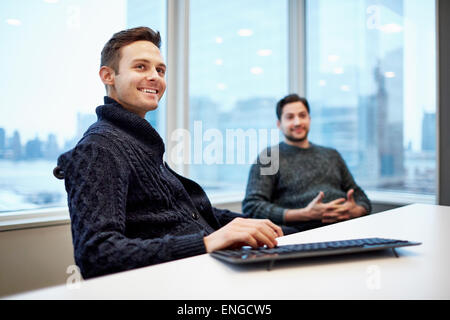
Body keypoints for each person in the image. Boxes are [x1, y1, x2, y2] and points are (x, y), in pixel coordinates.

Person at [54, 27, 283, 279]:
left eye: (160, 70)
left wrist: (283, 229)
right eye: (141, 67)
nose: (155, 77)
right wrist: (207, 242)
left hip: (208, 272)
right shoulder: (99, 148)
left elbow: (194, 213)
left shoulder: (140, 142)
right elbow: (96, 254)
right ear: (108, 75)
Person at [242, 94, 372, 233]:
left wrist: (355, 211)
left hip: (347, 228)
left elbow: (361, 197)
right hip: (299, 233)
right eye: (290, 117)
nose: (297, 122)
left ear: (309, 119)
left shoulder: (332, 155)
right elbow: (252, 207)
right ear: (279, 124)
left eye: (302, 115)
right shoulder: (269, 157)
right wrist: (305, 214)